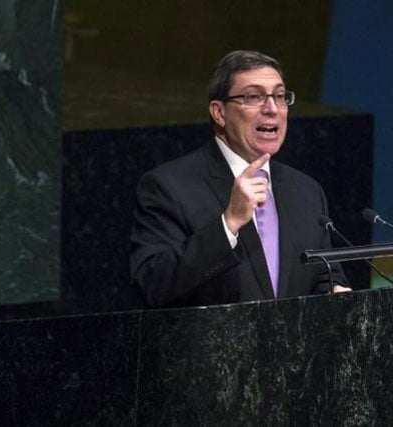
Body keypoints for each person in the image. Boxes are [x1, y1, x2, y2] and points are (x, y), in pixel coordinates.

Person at [130, 50, 350, 308]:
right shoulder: (168, 187)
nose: (271, 109)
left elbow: (325, 275)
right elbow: (153, 284)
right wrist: (229, 223)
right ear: (219, 113)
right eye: (254, 96)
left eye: (279, 96)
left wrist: (336, 293)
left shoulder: (306, 191)